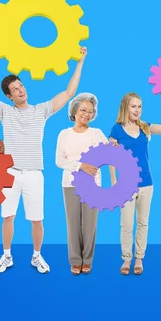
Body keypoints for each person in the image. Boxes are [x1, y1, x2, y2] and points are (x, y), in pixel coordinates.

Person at [0, 43, 87, 274]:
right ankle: (6, 256)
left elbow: (68, 93)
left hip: (35, 173)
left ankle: (37, 256)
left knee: (37, 220)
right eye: (15, 89)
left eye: (21, 86)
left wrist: (80, 63)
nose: (20, 90)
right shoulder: (5, 111)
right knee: (8, 216)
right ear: (9, 96)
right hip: (10, 173)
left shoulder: (41, 111)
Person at [109, 92, 161, 276]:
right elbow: (110, 156)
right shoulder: (117, 130)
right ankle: (126, 259)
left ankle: (139, 258)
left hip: (146, 183)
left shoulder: (145, 127)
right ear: (125, 107)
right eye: (133, 106)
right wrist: (113, 180)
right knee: (126, 224)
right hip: (125, 185)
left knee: (143, 223)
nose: (137, 110)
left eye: (139, 106)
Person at [56, 93, 113, 276]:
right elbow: (59, 161)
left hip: (93, 185)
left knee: (90, 224)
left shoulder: (96, 133)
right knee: (73, 223)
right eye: (83, 110)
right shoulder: (64, 134)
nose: (86, 114)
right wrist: (81, 166)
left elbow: (109, 153)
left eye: (90, 111)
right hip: (70, 184)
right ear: (74, 111)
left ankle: (87, 260)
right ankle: (75, 260)